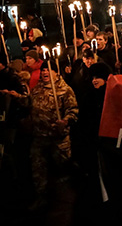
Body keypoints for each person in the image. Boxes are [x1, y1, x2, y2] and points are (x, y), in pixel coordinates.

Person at [29, 62, 78, 209]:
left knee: (63, 170)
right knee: (38, 169)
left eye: (48, 70)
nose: (45, 72)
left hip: (58, 139)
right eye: (43, 70)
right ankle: (42, 198)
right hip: (40, 137)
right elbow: (30, 103)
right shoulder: (37, 88)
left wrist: (65, 121)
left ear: (56, 72)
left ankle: (65, 204)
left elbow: (73, 111)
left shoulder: (65, 90)